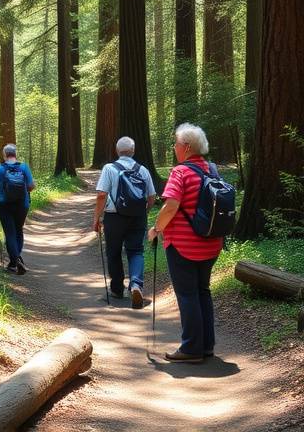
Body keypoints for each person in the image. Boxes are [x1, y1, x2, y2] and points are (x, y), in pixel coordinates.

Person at [148, 123, 223, 363]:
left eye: (176, 143)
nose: (174, 147)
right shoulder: (212, 170)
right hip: (211, 243)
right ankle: (206, 345)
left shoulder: (180, 172)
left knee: (188, 294)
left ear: (187, 147)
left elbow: (170, 206)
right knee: (202, 291)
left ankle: (191, 349)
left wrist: (156, 229)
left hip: (183, 246)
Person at [93, 137, 156, 308]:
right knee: (136, 251)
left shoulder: (109, 168)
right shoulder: (143, 170)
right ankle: (136, 284)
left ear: (117, 151)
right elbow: (151, 197)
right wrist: (144, 212)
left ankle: (117, 289)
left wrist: (96, 218)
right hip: (138, 216)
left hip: (114, 217)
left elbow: (101, 195)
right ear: (133, 151)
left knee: (113, 252)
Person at [0, 144, 35, 275]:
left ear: (4, 155)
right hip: (23, 204)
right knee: (18, 229)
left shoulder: (0, 169)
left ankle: (14, 261)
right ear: (16, 154)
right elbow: (31, 186)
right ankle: (16, 259)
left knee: (9, 232)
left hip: (5, 205)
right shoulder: (24, 167)